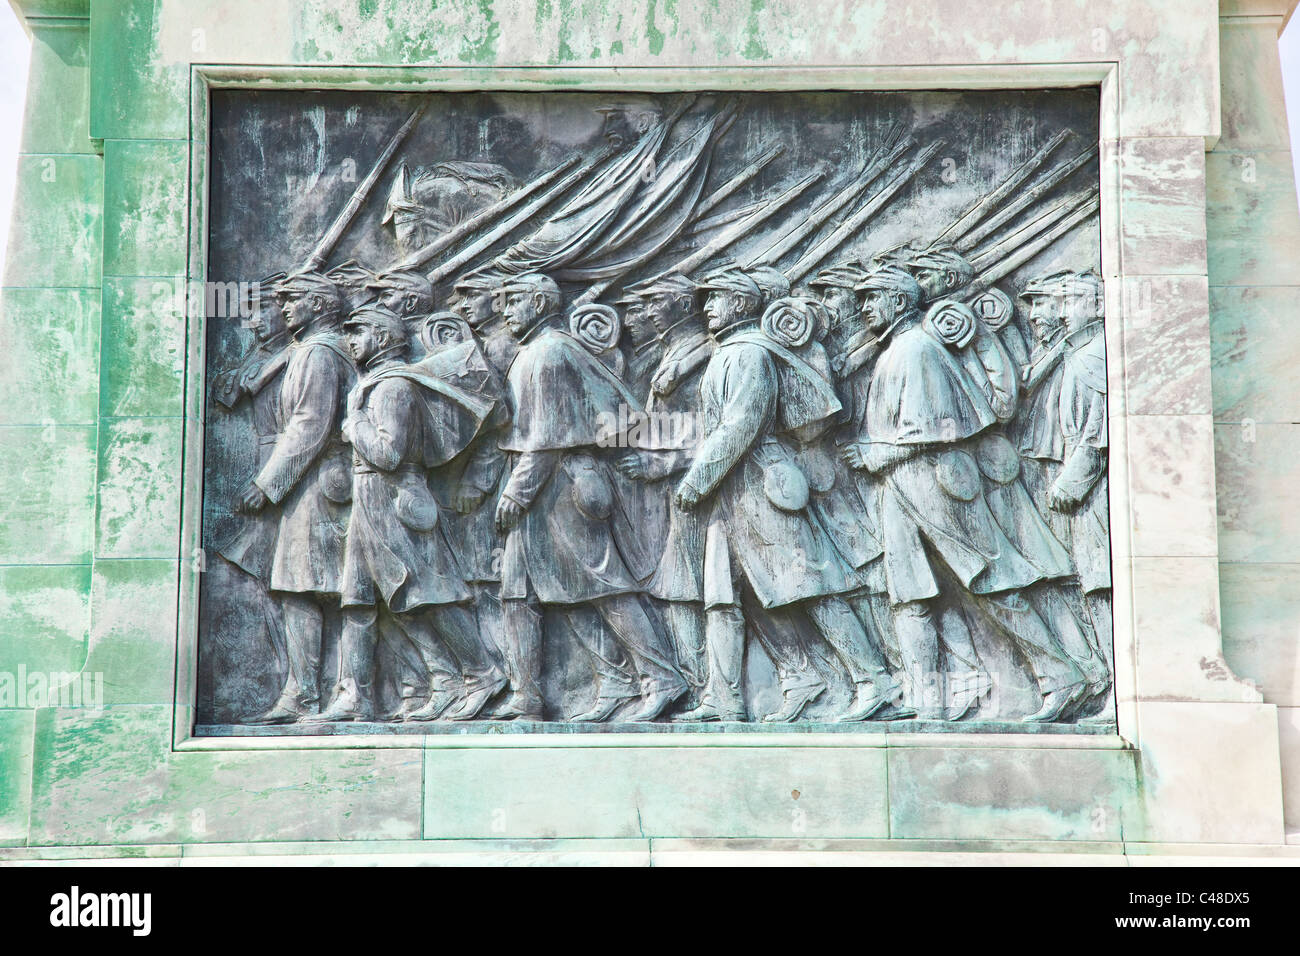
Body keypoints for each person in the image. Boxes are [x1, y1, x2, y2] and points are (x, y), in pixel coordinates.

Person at [841, 265, 1087, 722]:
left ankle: (1062, 677)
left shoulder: (916, 349)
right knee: (909, 595)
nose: (865, 308)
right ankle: (923, 700)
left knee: (989, 580)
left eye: (873, 298)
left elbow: (937, 427)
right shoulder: (898, 348)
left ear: (899, 302)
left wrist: (880, 455)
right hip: (902, 487)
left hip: (934, 481)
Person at [674, 267, 903, 722]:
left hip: (760, 484)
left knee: (812, 584)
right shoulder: (729, 353)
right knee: (724, 597)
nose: (707, 307)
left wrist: (697, 479)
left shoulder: (747, 355)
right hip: (730, 492)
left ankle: (875, 679)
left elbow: (742, 424)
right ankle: (729, 696)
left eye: (716, 297)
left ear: (741, 303)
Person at [496, 272, 687, 721]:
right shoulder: (535, 351)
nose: (505, 311)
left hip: (560, 485)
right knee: (523, 593)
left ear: (539, 303)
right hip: (543, 486)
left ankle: (661, 677)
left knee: (602, 587)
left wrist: (516, 493)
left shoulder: (549, 352)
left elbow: (547, 439)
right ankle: (544, 693)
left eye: (514, 301)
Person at [307, 304, 505, 722]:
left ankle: (482, 672)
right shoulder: (373, 383)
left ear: (381, 337)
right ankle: (360, 694)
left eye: (358, 331)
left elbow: (390, 454)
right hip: (368, 501)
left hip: (395, 500)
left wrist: (353, 424)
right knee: (362, 601)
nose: (350, 340)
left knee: (426, 594)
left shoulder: (394, 387)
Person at [235, 271, 357, 724]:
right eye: (282, 300)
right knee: (304, 587)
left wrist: (267, 484)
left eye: (296, 300)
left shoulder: (319, 353)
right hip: (315, 484)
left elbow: (309, 424)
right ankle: (306, 691)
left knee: (307, 587)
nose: (285, 308)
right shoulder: (313, 349)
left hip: (318, 485)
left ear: (321, 306)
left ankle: (312, 693)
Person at [616, 274, 713, 702]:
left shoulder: (703, 353)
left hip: (699, 489)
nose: (649, 310)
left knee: (693, 590)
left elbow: (714, 428)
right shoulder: (670, 351)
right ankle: (696, 685)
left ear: (682, 304)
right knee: (679, 589)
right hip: (668, 490)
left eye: (658, 301)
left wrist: (666, 463)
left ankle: (701, 687)